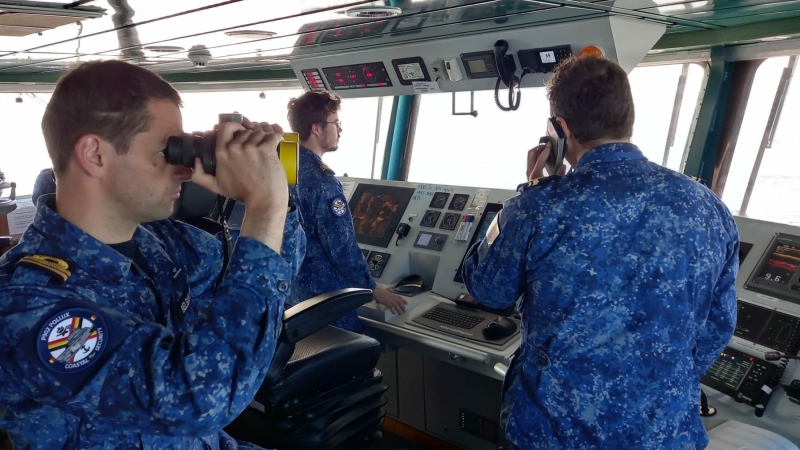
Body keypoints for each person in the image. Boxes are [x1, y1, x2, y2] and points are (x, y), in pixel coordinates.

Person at [0, 60, 305, 449]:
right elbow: (201, 398)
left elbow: (273, 283)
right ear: (94, 154)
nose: (183, 170)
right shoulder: (24, 302)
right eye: (168, 149)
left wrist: (278, 193)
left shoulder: (166, 243)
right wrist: (264, 207)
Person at [462, 55, 738, 450]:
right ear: (627, 119)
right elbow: (719, 325)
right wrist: (655, 384)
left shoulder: (537, 207)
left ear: (559, 128)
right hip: (662, 433)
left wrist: (530, 188)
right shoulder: (708, 207)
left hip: (554, 433)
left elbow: (488, 289)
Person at [286, 91, 406, 333]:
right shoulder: (324, 182)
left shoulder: (284, 164)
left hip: (293, 297)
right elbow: (342, 248)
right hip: (328, 301)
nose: (340, 130)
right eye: (336, 123)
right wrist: (373, 288)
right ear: (317, 128)